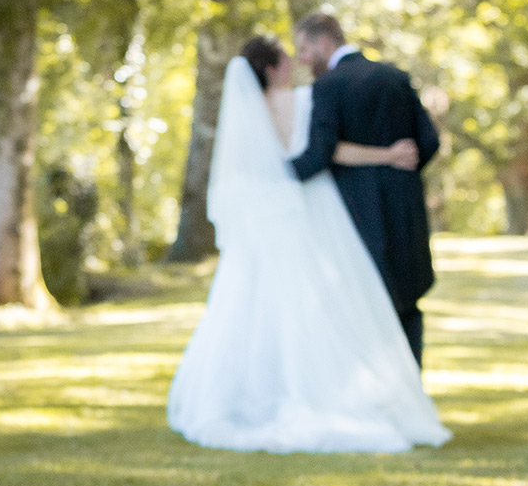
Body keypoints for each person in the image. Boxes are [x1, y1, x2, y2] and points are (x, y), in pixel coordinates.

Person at [166, 35, 448, 453]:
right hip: (308, 212)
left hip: (267, 219)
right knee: (328, 307)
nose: (293, 61)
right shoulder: (302, 99)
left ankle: (252, 398)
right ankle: (335, 396)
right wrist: (386, 155)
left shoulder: (245, 114)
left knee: (257, 308)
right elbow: (329, 151)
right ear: (271, 68)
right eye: (284, 57)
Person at [289, 12, 443, 365]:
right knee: (407, 302)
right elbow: (429, 141)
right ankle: (412, 393)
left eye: (304, 49)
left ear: (324, 42)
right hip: (406, 210)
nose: (302, 59)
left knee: (365, 302)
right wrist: (399, 164)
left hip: (357, 214)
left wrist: (274, 175)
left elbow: (319, 154)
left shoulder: (328, 86)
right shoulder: (394, 77)